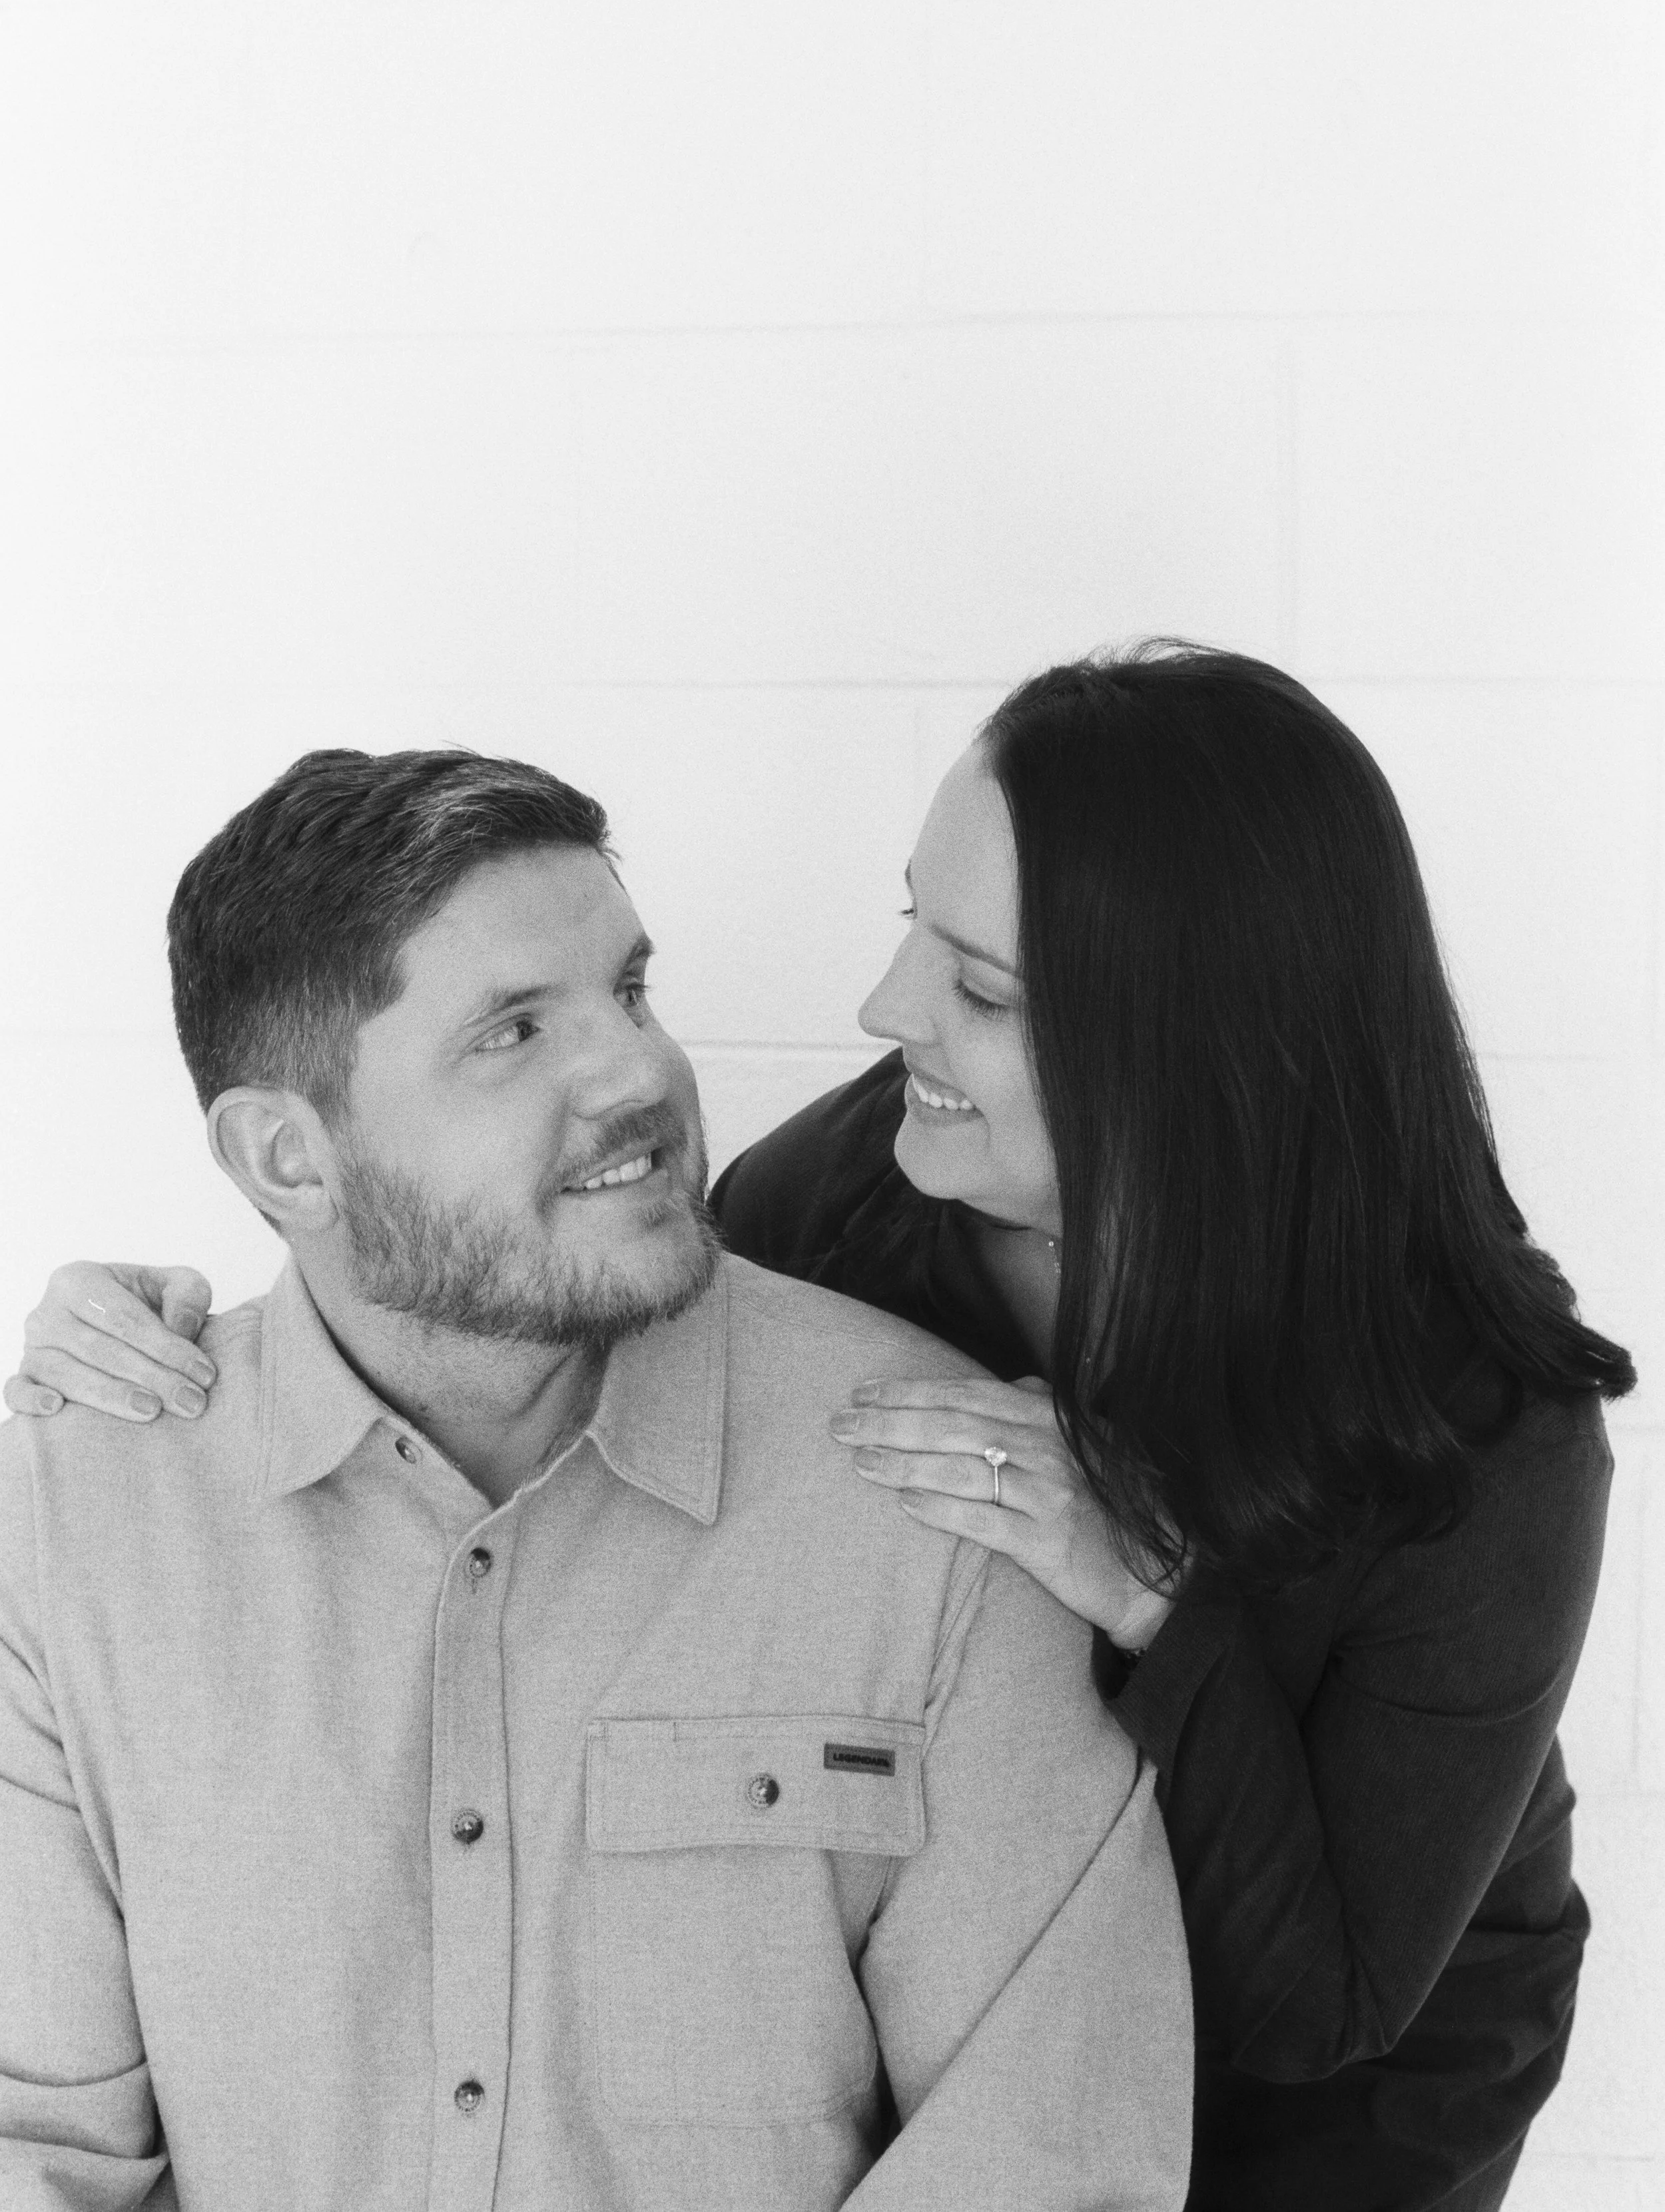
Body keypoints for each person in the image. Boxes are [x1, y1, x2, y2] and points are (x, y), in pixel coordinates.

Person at [12, 646, 1632, 2211]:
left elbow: (1303, 2014)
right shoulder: (836, 1203)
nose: (879, 1006)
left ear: (1182, 1054)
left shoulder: (1488, 1431)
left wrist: (1152, 1594)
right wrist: (182, 1362)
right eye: (912, 927)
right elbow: (488, 1269)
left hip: (1352, 2070)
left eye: (978, 987)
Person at [0, 744, 1192, 2212]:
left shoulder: (942, 1489)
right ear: (288, 1164)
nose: (640, 1073)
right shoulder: (69, 1532)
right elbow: (30, 2145)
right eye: (510, 1032)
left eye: (628, 992)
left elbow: (1043, 2153)